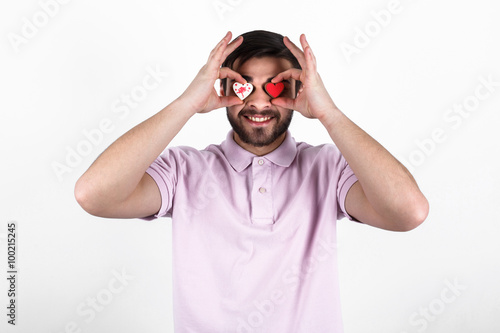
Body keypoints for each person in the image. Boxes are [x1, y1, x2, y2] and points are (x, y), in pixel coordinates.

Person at [75, 30, 429, 332]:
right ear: (223, 87)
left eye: (275, 87)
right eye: (244, 88)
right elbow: (93, 195)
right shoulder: (185, 170)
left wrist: (329, 114)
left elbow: (409, 212)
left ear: (297, 90)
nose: (259, 102)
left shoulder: (328, 168)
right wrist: (187, 103)